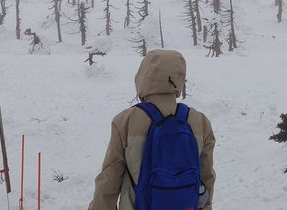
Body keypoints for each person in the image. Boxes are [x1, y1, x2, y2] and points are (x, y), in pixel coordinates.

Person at [87, 49, 216, 210]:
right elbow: (206, 178)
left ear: (143, 77)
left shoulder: (125, 121)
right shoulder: (200, 121)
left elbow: (109, 181)